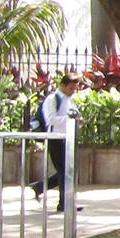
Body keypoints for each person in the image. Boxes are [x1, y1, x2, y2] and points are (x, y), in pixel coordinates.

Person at [33, 72, 83, 213]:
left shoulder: (69, 100)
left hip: (67, 139)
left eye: (75, 89)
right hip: (55, 138)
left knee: (68, 171)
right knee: (64, 171)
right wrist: (70, 120)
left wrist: (78, 121)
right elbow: (51, 119)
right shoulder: (52, 99)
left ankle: (40, 187)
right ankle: (64, 203)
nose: (73, 92)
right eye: (71, 88)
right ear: (63, 85)